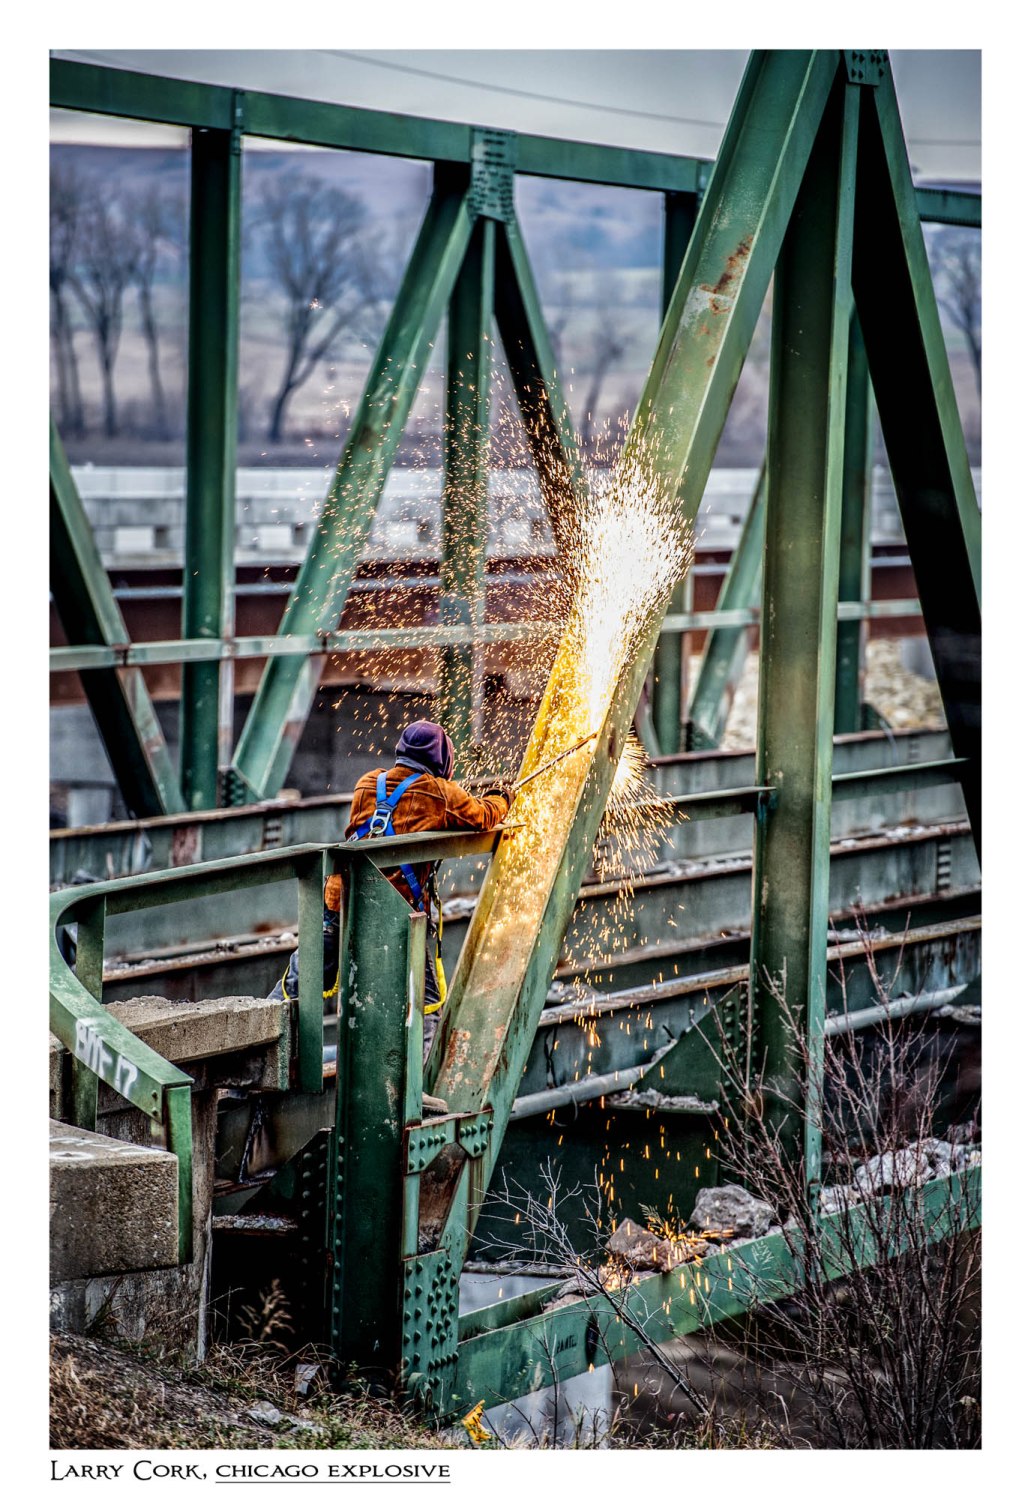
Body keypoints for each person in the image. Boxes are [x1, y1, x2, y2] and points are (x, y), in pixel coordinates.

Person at [270, 721, 513, 1082]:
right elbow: (482, 816)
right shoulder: (439, 793)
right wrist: (502, 796)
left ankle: (263, 1045)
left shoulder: (368, 783)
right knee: (426, 1001)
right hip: (395, 914)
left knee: (302, 980)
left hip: (342, 904)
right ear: (442, 761)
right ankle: (416, 1087)